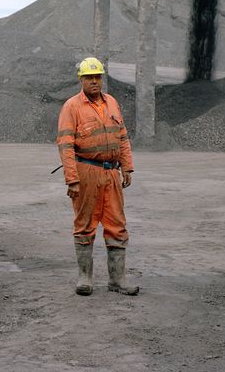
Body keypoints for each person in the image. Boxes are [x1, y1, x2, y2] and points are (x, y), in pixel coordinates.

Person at [56, 57, 139, 296]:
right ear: (81, 80)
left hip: (111, 173)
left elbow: (122, 136)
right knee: (85, 225)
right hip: (86, 172)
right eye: (89, 78)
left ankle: (117, 280)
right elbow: (65, 144)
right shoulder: (72, 107)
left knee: (117, 225)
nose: (94, 81)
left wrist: (127, 167)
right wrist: (72, 178)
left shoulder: (111, 102)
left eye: (98, 77)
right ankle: (85, 278)